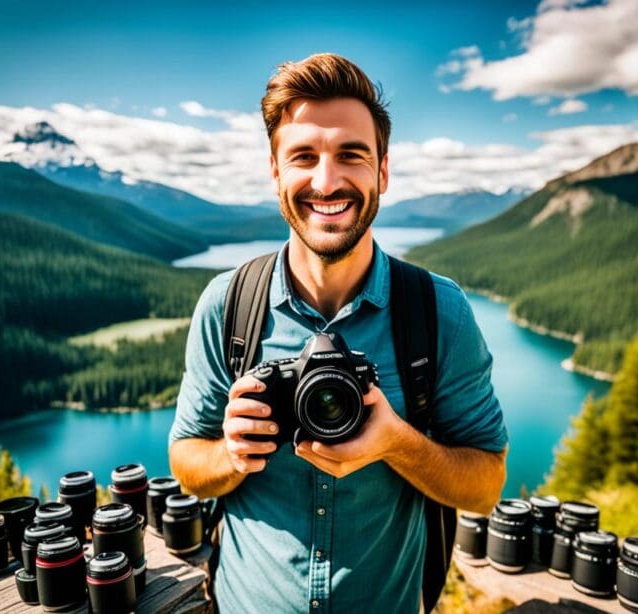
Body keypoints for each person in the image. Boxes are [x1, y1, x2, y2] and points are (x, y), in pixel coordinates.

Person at [169, 53, 508, 613]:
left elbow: (487, 482)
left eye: (351, 155)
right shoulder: (228, 308)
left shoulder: (437, 312)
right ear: (275, 171)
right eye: (303, 157)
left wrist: (398, 441)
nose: (326, 181)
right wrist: (231, 453)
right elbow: (186, 460)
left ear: (383, 171)